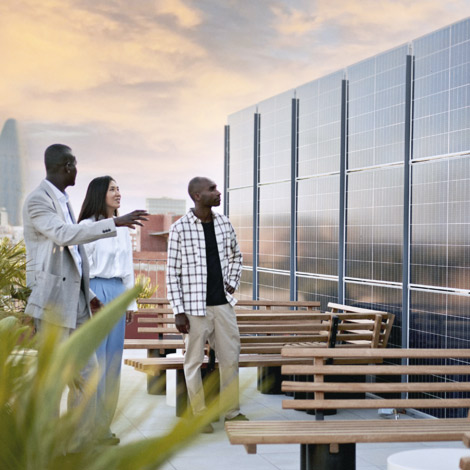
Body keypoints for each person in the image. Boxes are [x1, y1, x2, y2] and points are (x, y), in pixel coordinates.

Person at [22, 144, 148, 449]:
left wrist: (88, 293)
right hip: (52, 302)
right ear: (66, 166)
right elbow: (65, 236)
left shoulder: (62, 200)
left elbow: (75, 259)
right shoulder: (39, 200)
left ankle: (78, 442)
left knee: (90, 371)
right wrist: (114, 223)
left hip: (77, 299)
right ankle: (49, 445)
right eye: (74, 165)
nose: (77, 170)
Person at [166, 176, 247, 433]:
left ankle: (232, 413)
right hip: (193, 308)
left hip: (222, 305)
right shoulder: (180, 229)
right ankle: (200, 415)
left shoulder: (224, 223)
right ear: (197, 195)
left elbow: (236, 255)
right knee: (192, 362)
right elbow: (172, 273)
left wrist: (232, 281)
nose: (217, 192)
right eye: (212, 189)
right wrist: (178, 311)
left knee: (230, 359)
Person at [78, 176, 136, 445]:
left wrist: (130, 302)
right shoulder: (86, 227)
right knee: (95, 364)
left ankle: (103, 428)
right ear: (99, 194)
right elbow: (79, 269)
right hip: (94, 295)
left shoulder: (123, 229)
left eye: (119, 188)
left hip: (116, 294)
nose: (118, 193)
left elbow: (128, 269)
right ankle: (85, 430)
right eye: (112, 189)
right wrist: (90, 297)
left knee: (113, 363)